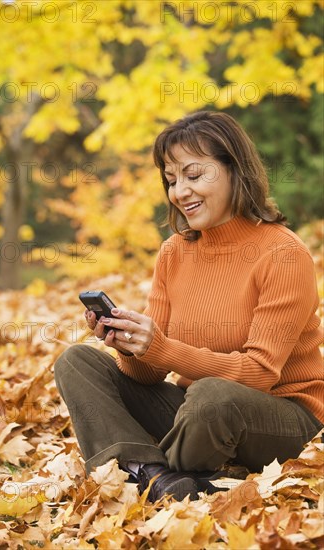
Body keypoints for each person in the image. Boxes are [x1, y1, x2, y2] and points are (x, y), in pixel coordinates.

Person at [54, 111, 323, 502]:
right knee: (77, 360)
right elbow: (148, 374)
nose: (180, 192)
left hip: (280, 416)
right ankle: (152, 474)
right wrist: (130, 345)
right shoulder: (174, 252)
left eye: (194, 176)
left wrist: (162, 346)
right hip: (198, 416)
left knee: (213, 396)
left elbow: (259, 374)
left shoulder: (283, 254)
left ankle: (159, 471)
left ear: (235, 170)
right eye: (172, 180)